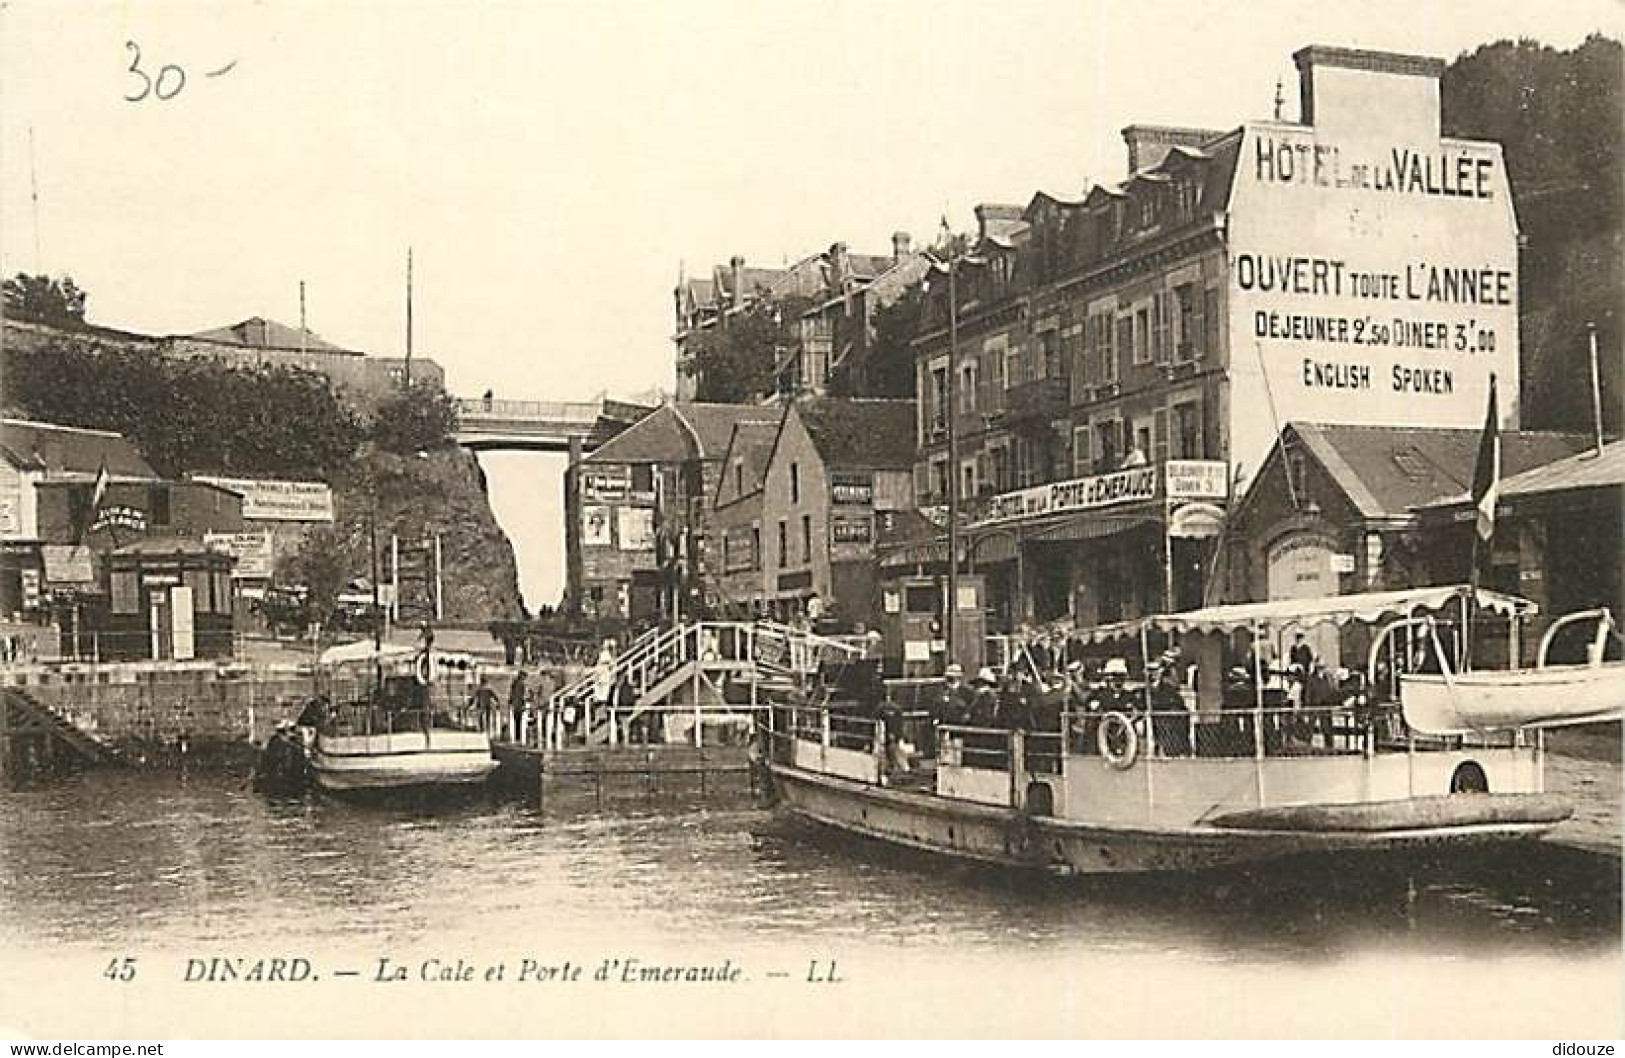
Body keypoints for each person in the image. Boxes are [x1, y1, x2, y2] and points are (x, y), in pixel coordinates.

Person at [507, 669, 529, 743]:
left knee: (517, 720)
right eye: (525, 677)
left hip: (515, 703)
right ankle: (518, 736)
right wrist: (524, 702)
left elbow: (512, 694)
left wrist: (510, 701)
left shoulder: (514, 683)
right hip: (518, 704)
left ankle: (517, 736)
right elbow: (522, 695)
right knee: (518, 720)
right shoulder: (521, 684)